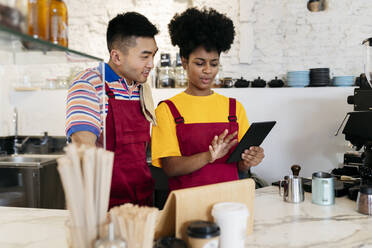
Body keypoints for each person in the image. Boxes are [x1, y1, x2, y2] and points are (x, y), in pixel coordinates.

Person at [151, 8, 265, 191]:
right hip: (188, 205)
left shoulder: (234, 108)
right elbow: (170, 168)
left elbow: (240, 166)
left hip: (232, 201)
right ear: (184, 62)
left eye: (213, 63)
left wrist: (251, 160)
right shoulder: (167, 110)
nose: (208, 70)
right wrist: (208, 156)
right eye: (199, 63)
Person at [65, 12, 158, 208]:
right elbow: (83, 147)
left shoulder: (141, 87)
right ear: (116, 56)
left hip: (143, 201)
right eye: (145, 56)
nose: (151, 64)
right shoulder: (89, 84)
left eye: (153, 55)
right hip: (105, 204)